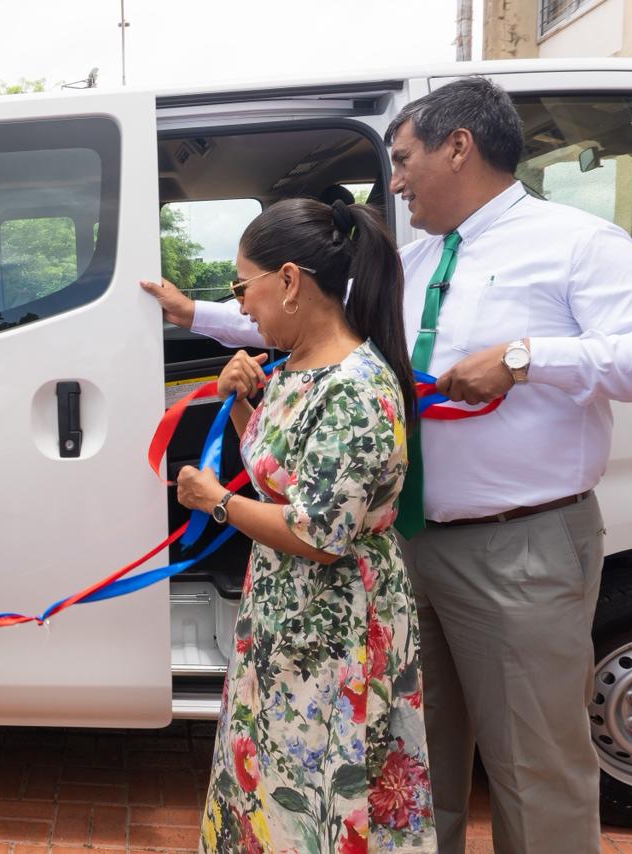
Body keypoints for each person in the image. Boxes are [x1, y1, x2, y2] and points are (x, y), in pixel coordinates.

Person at [145, 76, 632, 854]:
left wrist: (525, 358)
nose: (398, 179)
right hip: (406, 547)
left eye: (404, 158)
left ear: (460, 146)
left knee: (533, 765)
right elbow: (307, 306)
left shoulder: (578, 245)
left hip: (520, 547)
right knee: (414, 759)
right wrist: (200, 316)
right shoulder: (412, 261)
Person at [169, 198, 435, 853]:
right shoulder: (293, 368)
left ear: (288, 281)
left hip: (333, 630)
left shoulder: (354, 385)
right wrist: (241, 406)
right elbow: (281, 476)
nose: (239, 306)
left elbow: (320, 533)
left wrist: (214, 502)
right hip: (282, 622)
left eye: (241, 286)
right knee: (271, 782)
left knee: (319, 791)